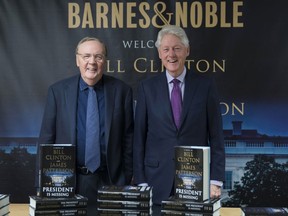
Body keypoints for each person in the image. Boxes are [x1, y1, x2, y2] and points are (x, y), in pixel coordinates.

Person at [38, 37, 134, 215]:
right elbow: (46, 140)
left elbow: (128, 140)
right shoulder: (58, 92)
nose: (92, 62)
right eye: (86, 56)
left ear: (104, 61)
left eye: (98, 56)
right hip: (69, 182)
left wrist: (126, 179)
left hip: (111, 181)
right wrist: (42, 182)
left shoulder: (122, 91)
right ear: (77, 60)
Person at [133, 25, 225, 209]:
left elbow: (216, 137)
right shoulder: (147, 88)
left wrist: (215, 180)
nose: (171, 55)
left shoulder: (205, 86)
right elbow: (139, 137)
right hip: (155, 182)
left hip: (196, 183)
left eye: (177, 48)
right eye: (166, 49)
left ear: (187, 50)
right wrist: (141, 180)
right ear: (159, 53)